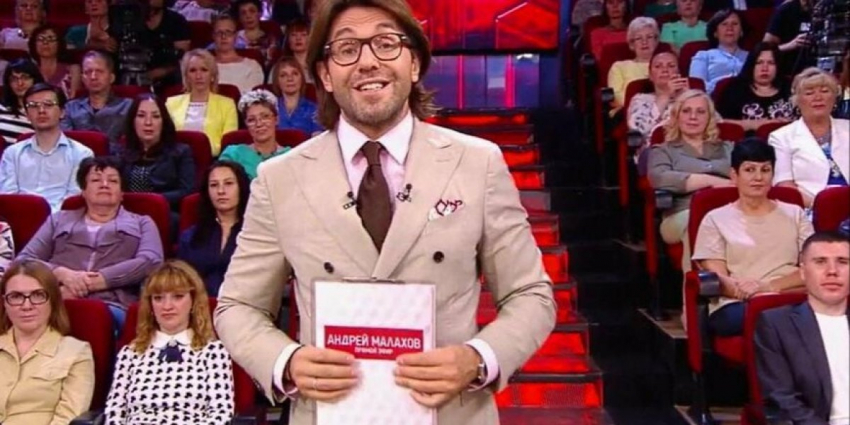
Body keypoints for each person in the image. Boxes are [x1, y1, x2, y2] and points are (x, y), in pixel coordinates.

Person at [213, 0, 557, 424]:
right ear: (325, 74)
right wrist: (286, 362)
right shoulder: (280, 178)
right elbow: (237, 306)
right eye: (346, 49)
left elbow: (531, 295)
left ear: (414, 63)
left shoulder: (477, 163)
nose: (367, 62)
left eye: (386, 43)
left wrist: (477, 358)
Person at [17, 156, 164, 329]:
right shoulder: (58, 220)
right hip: (56, 298)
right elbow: (23, 260)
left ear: (122, 193)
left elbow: (151, 261)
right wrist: (62, 274)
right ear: (83, 191)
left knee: (92, 317)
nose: (104, 185)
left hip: (112, 304)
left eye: (113, 181)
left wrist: (96, 281)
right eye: (95, 180)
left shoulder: (142, 223)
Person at [692, 139, 814, 336]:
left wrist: (768, 288)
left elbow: (812, 268)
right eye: (749, 170)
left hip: (787, 296)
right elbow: (719, 279)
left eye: (765, 170)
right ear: (734, 175)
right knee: (769, 317)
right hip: (739, 302)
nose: (758, 177)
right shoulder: (715, 219)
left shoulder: (795, 214)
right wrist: (755, 295)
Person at [105, 260, 235, 424]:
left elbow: (221, 414)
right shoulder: (130, 354)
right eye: (158, 298)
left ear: (193, 301)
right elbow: (115, 412)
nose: (167, 306)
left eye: (177, 297)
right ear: (150, 306)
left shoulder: (213, 352)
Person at [755, 231, 849, 424]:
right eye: (820, 262)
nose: (832, 271)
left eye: (842, 261)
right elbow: (782, 399)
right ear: (803, 273)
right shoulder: (776, 324)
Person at [648, 89, 734, 272]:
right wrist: (712, 180)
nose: (693, 117)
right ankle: (696, 285)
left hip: (729, 209)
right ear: (676, 116)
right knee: (699, 221)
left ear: (709, 117)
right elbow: (660, 178)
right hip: (682, 214)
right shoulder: (663, 150)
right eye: (686, 111)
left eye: (700, 112)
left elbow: (745, 175)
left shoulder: (728, 148)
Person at [0, 260, 95, 425]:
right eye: (16, 296)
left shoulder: (76, 353)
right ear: (5, 303)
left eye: (38, 295)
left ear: (53, 300)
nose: (26, 306)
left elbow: (69, 418)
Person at [0, 83, 94, 212]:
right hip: (19, 219)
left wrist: (46, 219)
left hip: (62, 220)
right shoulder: (12, 153)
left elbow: (73, 199)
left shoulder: (82, 154)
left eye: (48, 105)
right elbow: (8, 195)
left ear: (62, 112)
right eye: (33, 106)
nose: (41, 111)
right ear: (27, 114)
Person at [769, 67, 849, 209]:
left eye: (825, 91)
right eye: (809, 93)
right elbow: (784, 184)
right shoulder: (781, 137)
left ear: (834, 98)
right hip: (809, 208)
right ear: (797, 100)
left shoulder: (847, 127)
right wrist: (821, 207)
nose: (818, 97)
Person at [177, 161, 249, 296]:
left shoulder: (257, 234)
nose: (221, 191)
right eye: (214, 185)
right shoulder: (190, 237)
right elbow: (181, 281)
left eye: (228, 183)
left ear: (241, 187)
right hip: (200, 305)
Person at [121, 94, 196, 222]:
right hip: (125, 215)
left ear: (164, 122)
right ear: (132, 121)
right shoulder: (120, 153)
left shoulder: (181, 152)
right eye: (141, 116)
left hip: (163, 214)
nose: (148, 122)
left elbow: (187, 191)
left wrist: (151, 201)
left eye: (155, 116)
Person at [166, 49, 239, 156]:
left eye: (204, 70)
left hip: (213, 160)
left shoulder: (227, 105)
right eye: (192, 70)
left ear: (212, 75)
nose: (198, 76)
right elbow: (165, 140)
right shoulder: (171, 104)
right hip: (176, 160)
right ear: (186, 76)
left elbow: (229, 144)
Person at [60, 50, 133, 154]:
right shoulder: (70, 108)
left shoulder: (128, 107)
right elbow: (65, 144)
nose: (93, 77)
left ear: (111, 77)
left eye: (99, 71)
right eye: (88, 72)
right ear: (82, 78)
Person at [716, 42, 795, 131]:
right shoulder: (734, 90)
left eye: (771, 63)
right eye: (759, 62)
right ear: (751, 65)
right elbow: (720, 122)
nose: (765, 68)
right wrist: (754, 124)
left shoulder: (791, 88)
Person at [219, 89, 291, 179]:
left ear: (276, 120)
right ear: (246, 124)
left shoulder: (290, 156)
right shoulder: (233, 155)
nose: (259, 124)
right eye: (251, 120)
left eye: (265, 117)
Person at [628, 49, 690, 142]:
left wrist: (689, 98)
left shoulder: (690, 97)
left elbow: (711, 126)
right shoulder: (640, 99)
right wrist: (666, 95)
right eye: (658, 66)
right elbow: (637, 130)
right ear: (650, 75)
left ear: (679, 73)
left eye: (671, 66)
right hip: (654, 149)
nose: (665, 70)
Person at [688, 9, 748, 94]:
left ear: (741, 31)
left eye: (734, 24)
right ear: (715, 32)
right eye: (724, 24)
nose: (730, 28)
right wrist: (722, 86)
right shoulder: (703, 56)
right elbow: (697, 87)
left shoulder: (752, 57)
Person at [608, 18, 661, 111]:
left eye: (649, 37)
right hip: (627, 111)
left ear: (656, 41)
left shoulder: (666, 65)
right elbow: (616, 97)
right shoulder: (619, 67)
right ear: (632, 44)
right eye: (639, 38)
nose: (644, 42)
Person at [212, 13, 265, 95]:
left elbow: (251, 97)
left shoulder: (252, 66)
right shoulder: (203, 66)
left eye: (228, 32)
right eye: (219, 33)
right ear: (213, 36)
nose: (223, 37)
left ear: (236, 36)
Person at [270, 56, 323, 135]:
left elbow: (318, 138)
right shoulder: (270, 109)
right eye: (283, 75)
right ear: (277, 81)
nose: (290, 79)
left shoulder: (314, 110)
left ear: (301, 78)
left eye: (295, 74)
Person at [29, 25, 82, 99]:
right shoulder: (29, 71)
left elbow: (74, 100)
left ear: (59, 43)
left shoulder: (73, 70)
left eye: (51, 39)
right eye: (41, 39)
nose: (45, 42)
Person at [0, 60, 44, 144]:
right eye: (14, 79)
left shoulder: (44, 112)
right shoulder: (1, 108)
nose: (20, 83)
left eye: (25, 78)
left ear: (35, 80)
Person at [763, 0, 812, 76]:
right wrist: (791, 44)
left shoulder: (827, 9)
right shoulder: (786, 10)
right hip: (790, 71)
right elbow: (765, 49)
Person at [232, 0, 280, 67]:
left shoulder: (271, 39)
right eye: (243, 13)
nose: (248, 16)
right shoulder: (232, 39)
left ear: (260, 14)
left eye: (252, 11)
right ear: (239, 18)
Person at [281, 17, 313, 84]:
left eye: (303, 35)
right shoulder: (280, 66)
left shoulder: (318, 66)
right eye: (293, 35)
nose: (298, 38)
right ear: (288, 40)